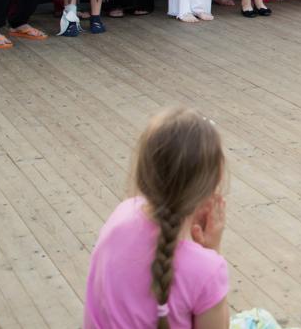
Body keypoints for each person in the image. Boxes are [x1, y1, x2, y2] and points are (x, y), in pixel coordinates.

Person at [83, 106, 229, 328]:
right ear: (215, 180)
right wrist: (212, 251)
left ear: (143, 173)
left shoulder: (121, 215)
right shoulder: (206, 269)